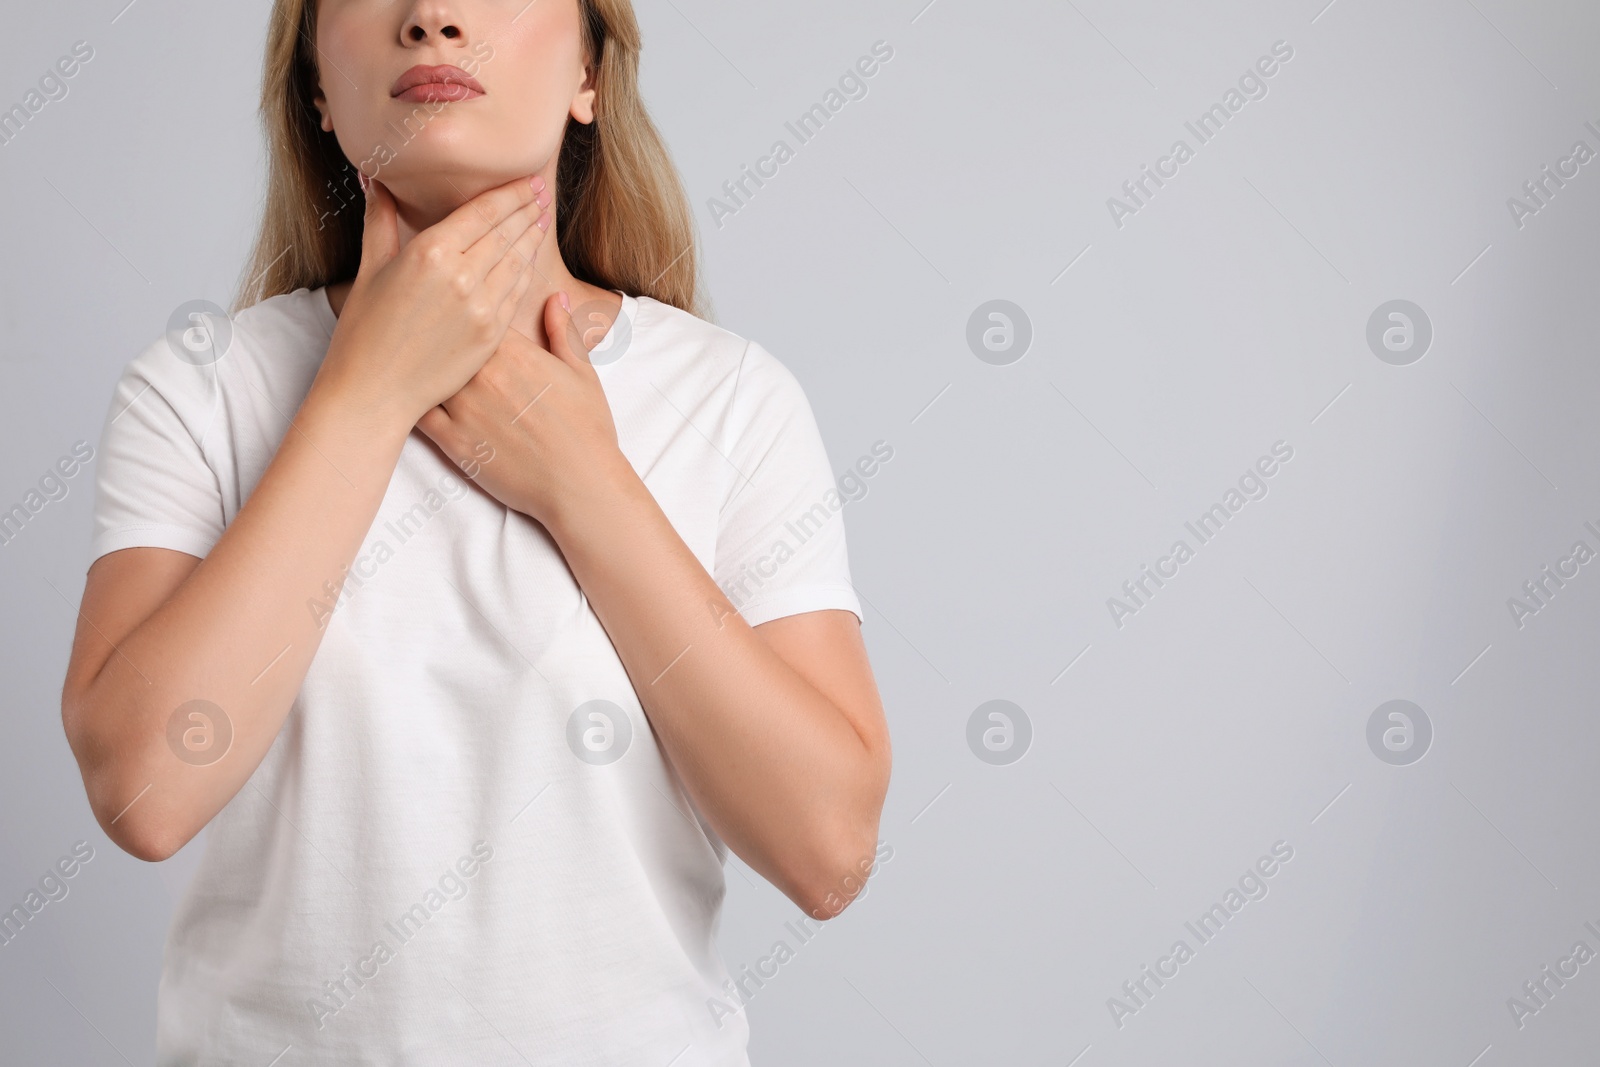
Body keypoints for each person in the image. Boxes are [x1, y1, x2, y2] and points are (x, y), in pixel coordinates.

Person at [58, 1, 892, 1063]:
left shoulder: (730, 398)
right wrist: (364, 392)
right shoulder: (200, 390)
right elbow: (146, 789)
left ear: (591, 72)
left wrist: (583, 484)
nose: (433, 17)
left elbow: (827, 850)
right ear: (315, 82)